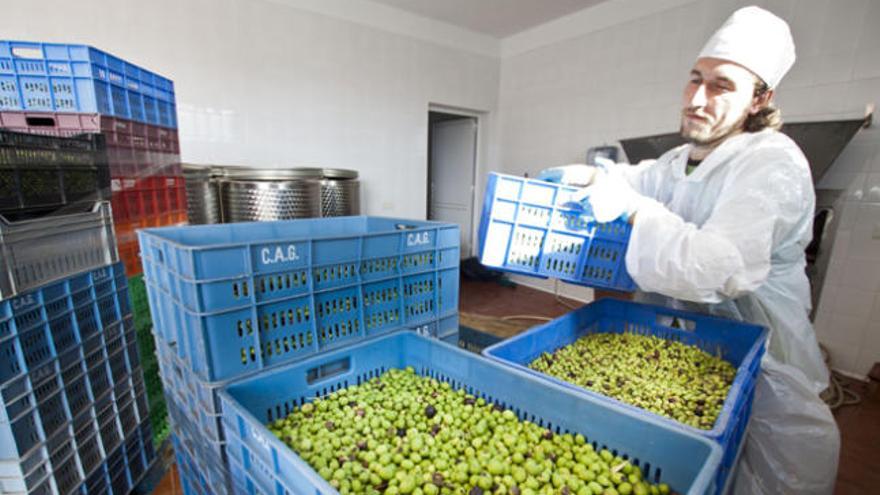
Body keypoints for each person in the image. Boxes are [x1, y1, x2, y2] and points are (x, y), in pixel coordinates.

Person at [542, 6, 840, 494]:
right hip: (679, 350)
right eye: (695, 79)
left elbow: (715, 267)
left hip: (759, 362)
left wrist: (634, 210)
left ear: (759, 98)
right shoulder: (681, 159)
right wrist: (593, 176)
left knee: (763, 477)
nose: (698, 98)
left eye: (721, 85)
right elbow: (640, 178)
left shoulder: (772, 163)